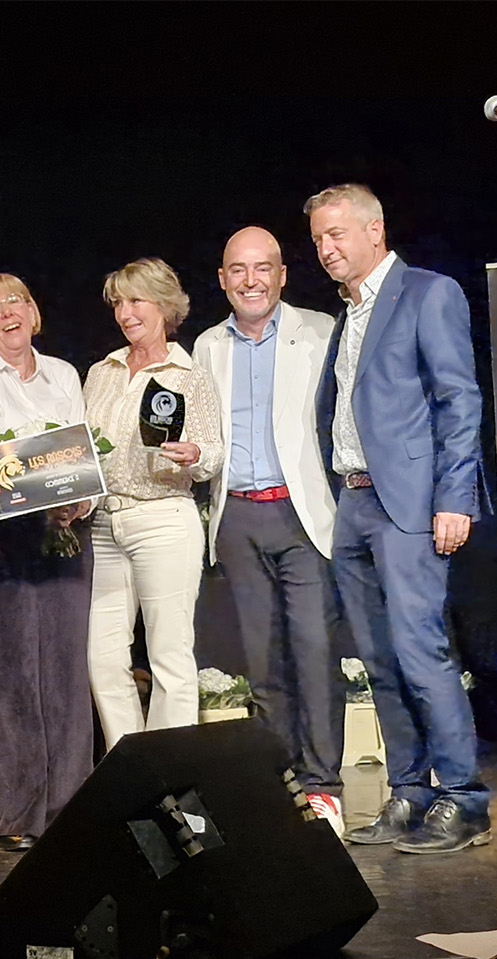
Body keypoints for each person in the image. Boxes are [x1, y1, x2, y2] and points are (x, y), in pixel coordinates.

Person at [308, 183, 489, 854]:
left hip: (409, 501)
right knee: (379, 660)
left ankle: (465, 799)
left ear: (375, 232)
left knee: (420, 653)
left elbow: (458, 400)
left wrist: (454, 498)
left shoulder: (427, 293)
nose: (326, 248)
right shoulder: (347, 314)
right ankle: (410, 793)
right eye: (319, 239)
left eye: (337, 234)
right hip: (355, 500)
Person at [192, 227, 346, 836]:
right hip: (238, 517)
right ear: (224, 279)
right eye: (239, 269)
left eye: (264, 268)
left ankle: (324, 787)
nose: (251, 280)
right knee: (261, 662)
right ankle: (283, 786)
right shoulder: (206, 347)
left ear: (283, 275)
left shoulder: (320, 332)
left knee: (313, 651)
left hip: (304, 516)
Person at [0, 273, 94, 852]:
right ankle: (18, 815)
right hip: (5, 533)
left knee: (63, 673)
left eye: (16, 302)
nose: (7, 313)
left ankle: (72, 808)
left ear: (34, 312)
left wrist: (80, 493)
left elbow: (80, 445)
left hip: (66, 531)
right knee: (10, 677)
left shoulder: (63, 373)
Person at [84, 258, 223, 749]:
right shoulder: (103, 371)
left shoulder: (189, 375)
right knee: (103, 658)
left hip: (164, 517)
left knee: (169, 656)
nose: (125, 312)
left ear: (165, 306)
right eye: (119, 302)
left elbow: (213, 451)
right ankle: (129, 773)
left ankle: (170, 778)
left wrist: (195, 454)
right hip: (104, 522)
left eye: (136, 300)